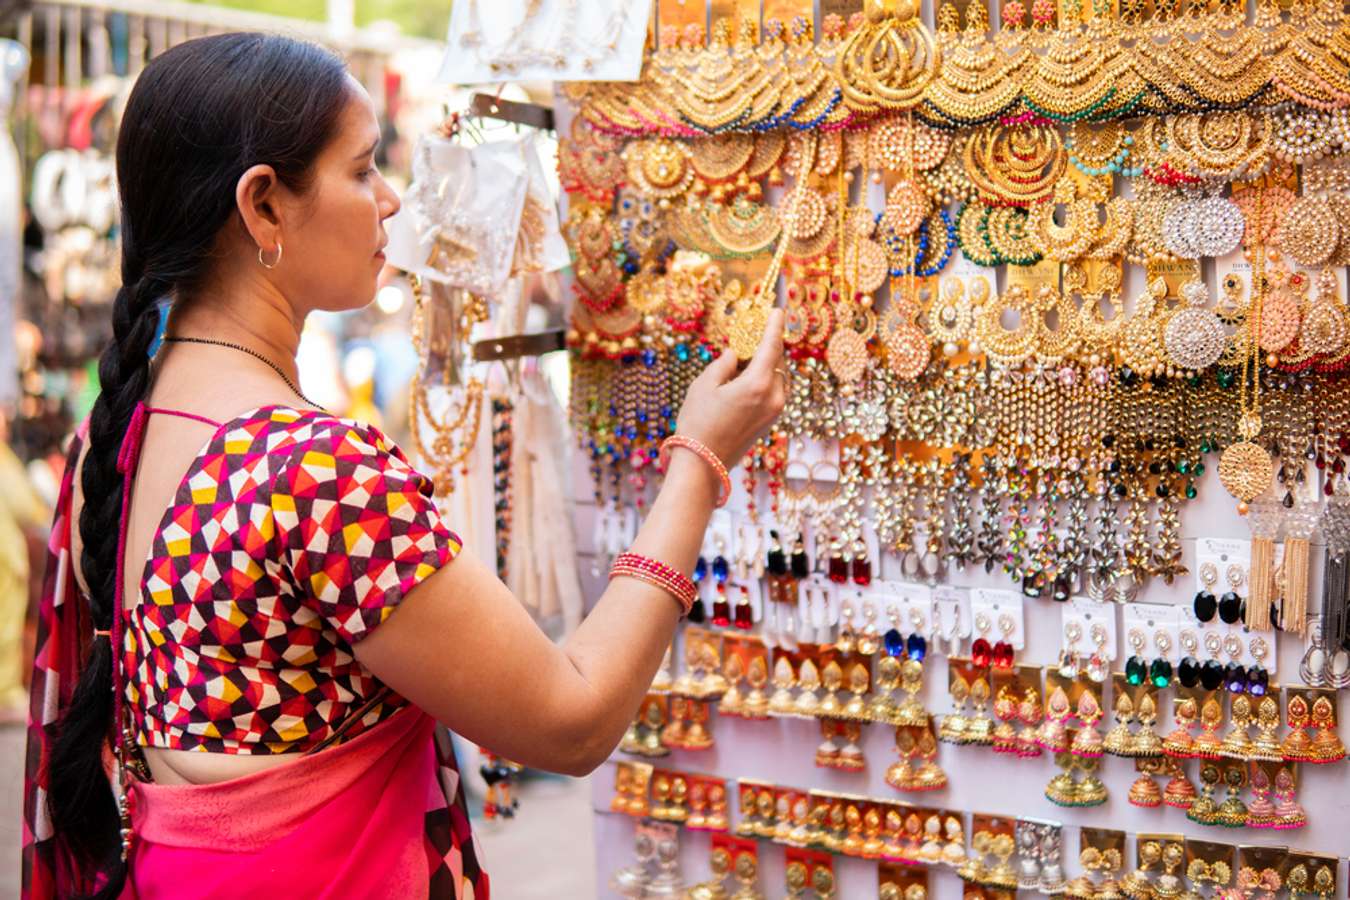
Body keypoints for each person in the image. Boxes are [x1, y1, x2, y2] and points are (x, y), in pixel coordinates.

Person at [21, 32, 787, 900]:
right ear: (264, 207)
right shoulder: (308, 471)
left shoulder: (116, 434)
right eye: (362, 168)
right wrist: (699, 461)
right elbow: (572, 722)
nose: (390, 200)